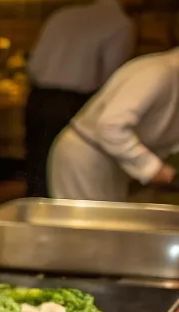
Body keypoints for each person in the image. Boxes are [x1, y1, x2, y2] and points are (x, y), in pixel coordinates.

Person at [24, 0, 152, 196]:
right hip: (74, 106)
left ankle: (35, 228)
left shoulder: (63, 14)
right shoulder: (120, 24)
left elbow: (34, 64)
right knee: (68, 181)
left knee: (37, 172)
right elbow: (113, 81)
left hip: (37, 100)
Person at [48, 48, 179, 201]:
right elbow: (110, 126)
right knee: (88, 224)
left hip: (114, 161)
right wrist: (151, 166)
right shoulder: (158, 74)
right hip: (88, 157)